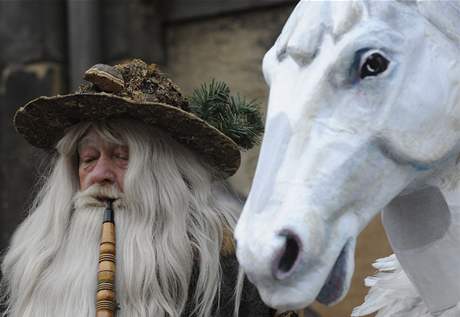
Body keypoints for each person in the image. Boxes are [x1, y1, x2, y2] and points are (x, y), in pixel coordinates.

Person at [0, 59, 309, 317]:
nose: (100, 175)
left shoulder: (233, 279)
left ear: (163, 176)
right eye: (88, 159)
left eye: (122, 157)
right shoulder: (32, 276)